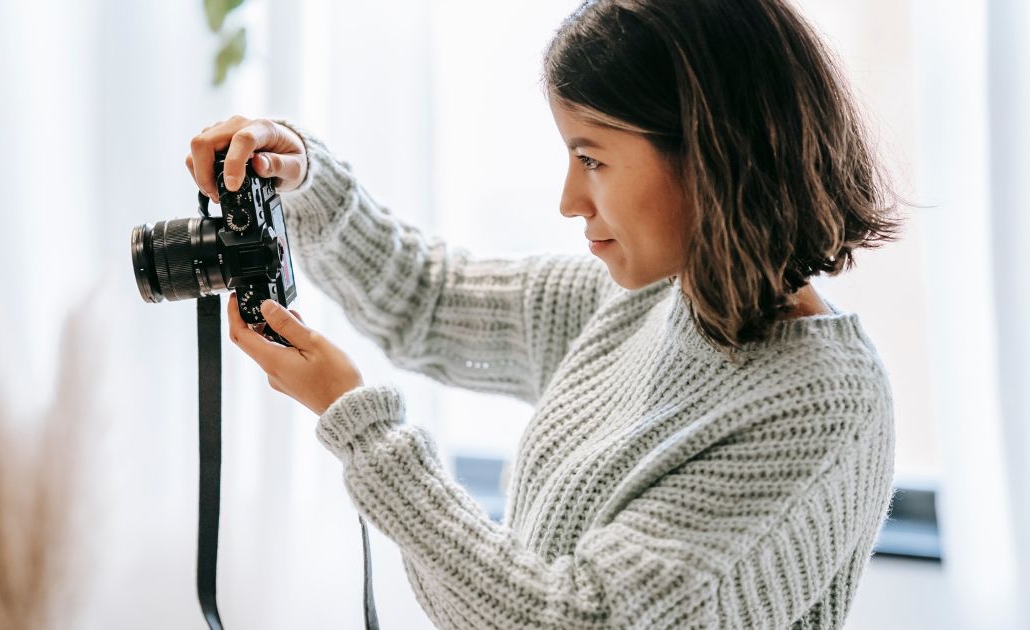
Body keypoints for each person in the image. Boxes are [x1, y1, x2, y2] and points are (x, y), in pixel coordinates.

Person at [186, 0, 907, 627]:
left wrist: (361, 429)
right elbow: (429, 303)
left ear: (711, 152)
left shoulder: (819, 406)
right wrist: (305, 176)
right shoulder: (650, 300)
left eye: (592, 159)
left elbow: (577, 621)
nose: (570, 200)